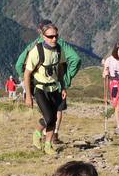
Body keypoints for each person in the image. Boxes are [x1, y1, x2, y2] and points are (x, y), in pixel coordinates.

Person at [21, 23, 77, 155]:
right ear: (43, 36)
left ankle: (48, 145)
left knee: (53, 119)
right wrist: (28, 96)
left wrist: (63, 87)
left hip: (54, 88)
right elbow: (27, 74)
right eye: (50, 36)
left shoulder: (59, 50)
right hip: (40, 89)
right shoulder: (36, 51)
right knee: (49, 117)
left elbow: (61, 68)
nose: (54, 39)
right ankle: (36, 133)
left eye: (56, 36)